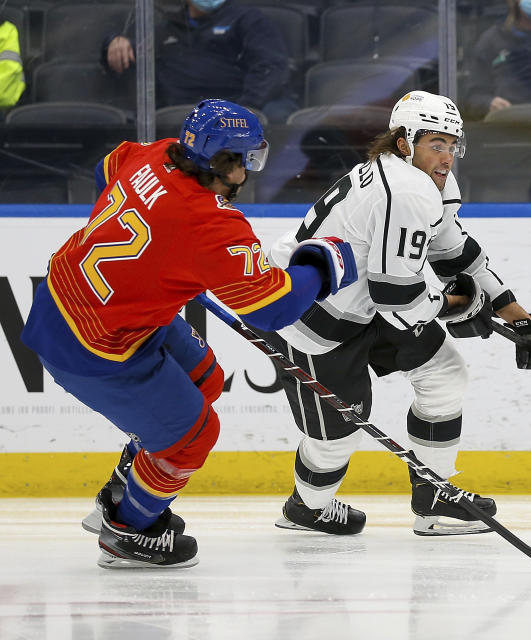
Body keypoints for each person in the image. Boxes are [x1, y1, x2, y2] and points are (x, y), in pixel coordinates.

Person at [19, 99, 357, 569]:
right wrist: (322, 265)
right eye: (245, 160)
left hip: (75, 300)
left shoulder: (153, 153)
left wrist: (152, 258)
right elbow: (275, 308)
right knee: (194, 437)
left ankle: (124, 485)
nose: (246, 173)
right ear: (224, 162)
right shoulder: (211, 225)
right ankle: (127, 528)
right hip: (95, 346)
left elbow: (105, 171)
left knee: (205, 380)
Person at [265, 90, 531, 536]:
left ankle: (435, 500)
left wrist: (517, 318)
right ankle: (306, 509)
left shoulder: (428, 182)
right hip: (312, 316)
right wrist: (459, 306)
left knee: (444, 373)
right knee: (337, 438)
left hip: (366, 301)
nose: (446, 157)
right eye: (435, 144)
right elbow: (397, 298)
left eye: (452, 145)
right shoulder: (403, 191)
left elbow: (455, 254)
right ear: (404, 142)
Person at [102, 0, 297, 123]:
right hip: (180, 121)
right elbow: (131, 56)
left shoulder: (248, 20)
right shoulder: (167, 28)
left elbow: (270, 68)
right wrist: (114, 42)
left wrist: (240, 111)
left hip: (233, 114)